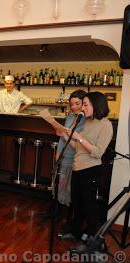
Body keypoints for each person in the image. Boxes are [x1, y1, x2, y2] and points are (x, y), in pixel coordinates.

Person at [58, 92, 113, 243]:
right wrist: (66, 136)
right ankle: (76, 233)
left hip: (91, 169)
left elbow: (97, 152)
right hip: (77, 167)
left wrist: (79, 137)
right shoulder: (88, 122)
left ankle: (90, 241)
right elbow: (77, 147)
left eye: (86, 104)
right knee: (77, 204)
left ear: (96, 105)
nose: (83, 107)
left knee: (89, 207)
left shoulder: (105, 124)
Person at [55, 90, 87, 239]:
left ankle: (71, 225)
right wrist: (57, 156)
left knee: (72, 193)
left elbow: (79, 145)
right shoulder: (70, 117)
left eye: (77, 104)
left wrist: (66, 134)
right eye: (72, 104)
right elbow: (63, 140)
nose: (74, 107)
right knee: (62, 189)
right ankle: (64, 221)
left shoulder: (86, 121)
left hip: (76, 160)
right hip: (64, 157)